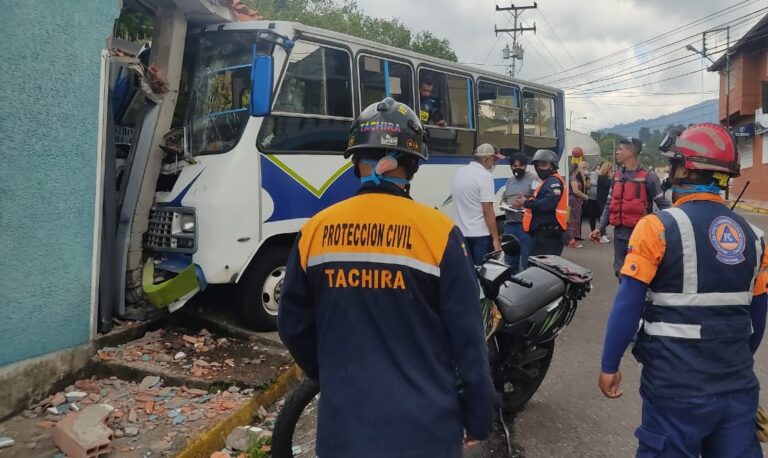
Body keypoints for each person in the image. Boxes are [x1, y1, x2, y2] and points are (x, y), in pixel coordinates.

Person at [278, 98, 495, 458]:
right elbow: (469, 341)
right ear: (413, 164)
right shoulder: (439, 233)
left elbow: (292, 326)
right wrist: (478, 416)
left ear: (354, 162)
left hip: (343, 432)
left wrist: (330, 371)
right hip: (425, 433)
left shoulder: (315, 231)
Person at [598, 123, 768, 457]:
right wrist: (732, 366)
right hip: (736, 387)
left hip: (675, 388)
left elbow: (628, 304)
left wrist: (609, 364)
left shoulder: (656, 227)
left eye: (674, 162)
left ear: (684, 167)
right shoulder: (755, 236)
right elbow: (757, 318)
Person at [590, 137, 670, 276]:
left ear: (630, 153)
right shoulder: (616, 176)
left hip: (640, 235)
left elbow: (664, 205)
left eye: (620, 149)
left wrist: (671, 232)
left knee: (639, 272)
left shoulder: (649, 177)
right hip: (619, 235)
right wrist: (600, 228)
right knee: (620, 271)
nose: (617, 152)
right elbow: (610, 205)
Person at [452, 143, 503, 265]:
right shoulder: (485, 176)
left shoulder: (459, 172)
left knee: (466, 273)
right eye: (494, 160)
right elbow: (487, 209)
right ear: (486, 159)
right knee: (482, 274)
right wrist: (496, 239)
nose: (495, 164)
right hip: (480, 236)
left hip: (460, 235)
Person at [523, 149, 568, 256]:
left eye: (543, 165)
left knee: (544, 268)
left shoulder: (554, 181)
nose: (540, 168)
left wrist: (527, 203)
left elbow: (548, 204)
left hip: (549, 234)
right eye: (537, 166)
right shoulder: (547, 181)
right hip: (544, 233)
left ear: (552, 166)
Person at [501, 152, 536, 271]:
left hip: (525, 226)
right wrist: (504, 205)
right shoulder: (509, 181)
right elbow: (504, 198)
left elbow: (538, 199)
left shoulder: (533, 179)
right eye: (514, 166)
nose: (517, 168)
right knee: (510, 260)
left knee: (527, 259)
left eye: (520, 166)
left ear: (525, 166)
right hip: (510, 225)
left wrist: (526, 202)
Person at [566, 162, 588, 248]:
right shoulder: (573, 178)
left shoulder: (570, 178)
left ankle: (569, 239)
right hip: (574, 201)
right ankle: (571, 240)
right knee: (573, 220)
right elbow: (575, 190)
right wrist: (584, 196)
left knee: (571, 219)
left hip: (572, 200)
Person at [595, 161, 613, 243]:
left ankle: (603, 233)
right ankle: (602, 234)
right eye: (610, 169)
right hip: (602, 199)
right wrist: (610, 177)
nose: (611, 171)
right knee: (603, 217)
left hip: (606, 199)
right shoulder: (601, 177)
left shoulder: (605, 177)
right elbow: (608, 185)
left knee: (607, 218)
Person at [583, 161, 601, 234]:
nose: (598, 169)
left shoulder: (601, 175)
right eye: (597, 167)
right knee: (592, 216)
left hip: (599, 198)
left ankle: (601, 231)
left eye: (599, 168)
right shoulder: (590, 174)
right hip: (591, 198)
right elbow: (586, 184)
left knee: (600, 215)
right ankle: (592, 230)